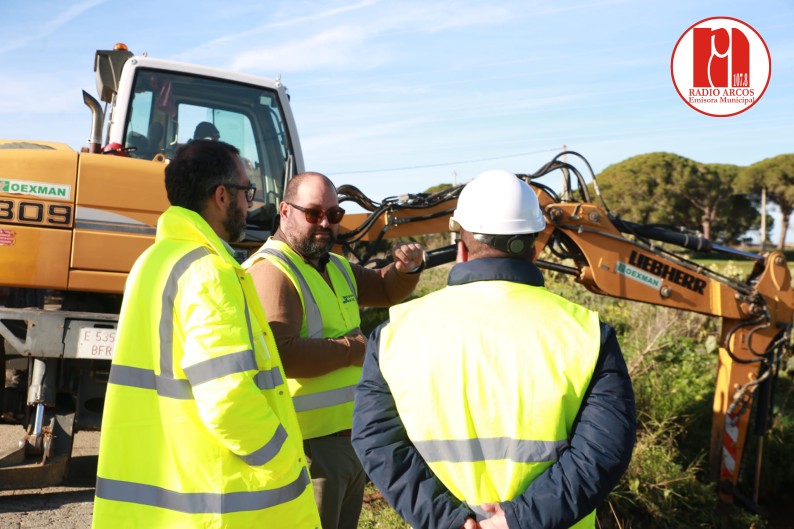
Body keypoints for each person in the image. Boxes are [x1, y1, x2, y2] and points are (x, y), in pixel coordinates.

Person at [351, 170, 637, 529]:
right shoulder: (587, 333)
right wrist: (517, 520)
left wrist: (451, 520)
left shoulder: (395, 333)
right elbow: (603, 451)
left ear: (461, 245)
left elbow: (376, 441)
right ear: (534, 248)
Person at [93, 140, 320, 528]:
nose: (249, 203)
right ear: (221, 196)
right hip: (216, 500)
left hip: (169, 495)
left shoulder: (152, 261)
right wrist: (285, 459)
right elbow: (227, 400)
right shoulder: (209, 272)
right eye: (247, 192)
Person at [243, 171, 425, 529]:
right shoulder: (273, 271)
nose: (325, 223)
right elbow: (283, 355)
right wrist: (354, 348)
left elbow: (385, 290)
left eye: (334, 215)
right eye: (313, 214)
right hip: (310, 449)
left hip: (347, 442)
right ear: (284, 211)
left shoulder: (335, 266)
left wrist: (407, 270)